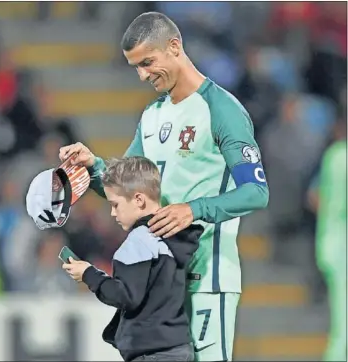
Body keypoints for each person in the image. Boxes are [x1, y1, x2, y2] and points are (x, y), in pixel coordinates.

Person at [59, 12, 269, 361]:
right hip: (159, 285)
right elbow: (123, 188)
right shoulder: (152, 117)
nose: (142, 75)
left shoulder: (221, 110)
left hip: (206, 273)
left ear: (174, 47)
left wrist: (193, 210)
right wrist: (92, 165)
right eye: (135, 67)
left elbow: (256, 192)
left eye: (147, 62)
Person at [62, 157, 203, 362]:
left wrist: (88, 274)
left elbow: (125, 295)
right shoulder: (173, 236)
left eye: (115, 205)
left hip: (151, 353)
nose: (112, 212)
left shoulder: (139, 240)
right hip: (178, 347)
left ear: (139, 200)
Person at [315, 119, 347, 362]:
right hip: (342, 247)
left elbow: (314, 197)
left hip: (328, 240)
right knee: (343, 321)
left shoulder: (333, 155)